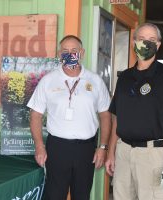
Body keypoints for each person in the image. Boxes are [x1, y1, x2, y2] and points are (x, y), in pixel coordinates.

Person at [105, 23, 163, 200]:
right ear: (134, 42)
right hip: (124, 152)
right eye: (142, 39)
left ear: (158, 45)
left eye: (152, 40)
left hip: (153, 155)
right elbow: (117, 119)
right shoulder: (125, 77)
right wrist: (111, 152)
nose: (146, 44)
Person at [27, 35, 111, 200]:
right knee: (54, 195)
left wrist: (103, 147)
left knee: (82, 195)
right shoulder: (48, 80)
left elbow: (105, 115)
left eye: (74, 50)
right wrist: (39, 145)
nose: (70, 54)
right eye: (65, 51)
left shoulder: (95, 80)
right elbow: (35, 115)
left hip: (86, 149)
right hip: (57, 148)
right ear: (59, 54)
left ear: (82, 53)